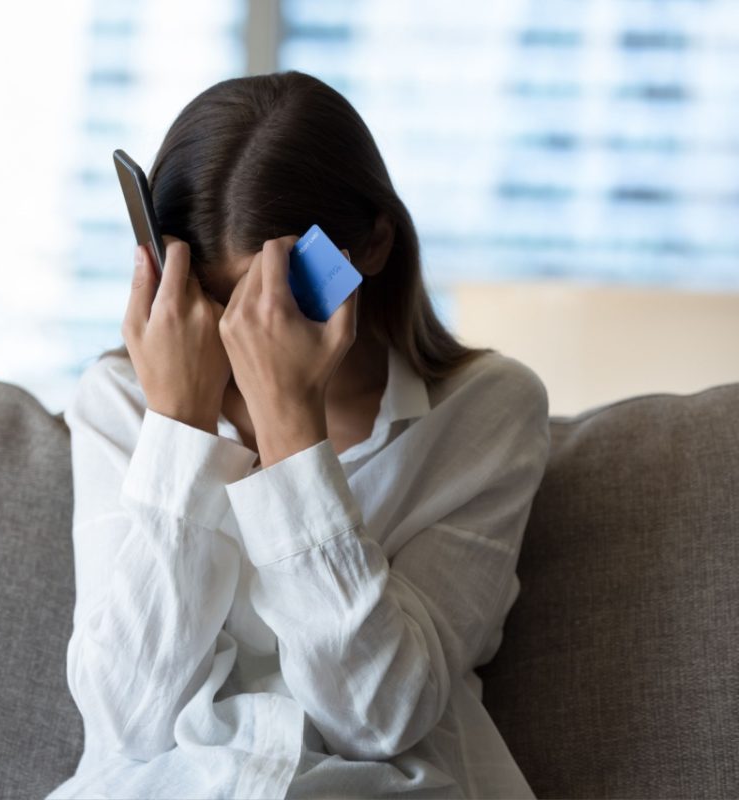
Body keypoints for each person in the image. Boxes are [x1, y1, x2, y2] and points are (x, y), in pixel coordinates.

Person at [48, 70, 550, 799]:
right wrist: (180, 430)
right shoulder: (119, 404)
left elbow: (377, 719)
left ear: (369, 247)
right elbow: (129, 716)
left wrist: (291, 436)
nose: (233, 333)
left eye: (270, 302)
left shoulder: (485, 411)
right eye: (212, 299)